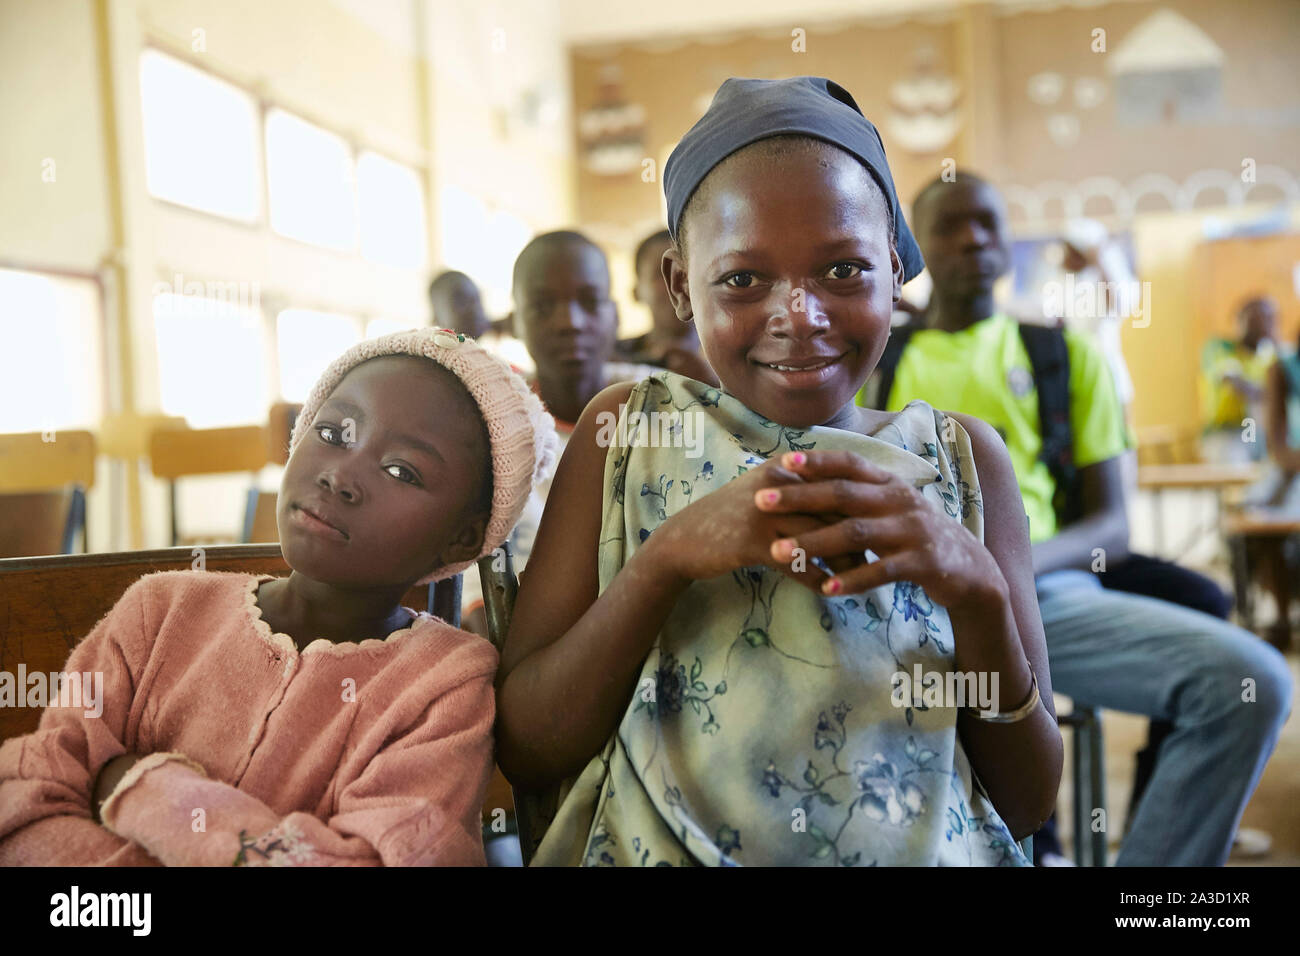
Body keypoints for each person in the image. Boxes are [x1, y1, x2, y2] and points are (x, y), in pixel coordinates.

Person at [495, 77, 1063, 867]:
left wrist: (978, 592)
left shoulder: (964, 462)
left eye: (843, 271)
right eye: (742, 279)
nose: (799, 317)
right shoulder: (625, 436)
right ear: (679, 286)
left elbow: (1029, 800)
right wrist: (665, 559)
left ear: (895, 271)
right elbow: (527, 746)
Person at [859, 171, 1292, 866]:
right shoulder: (877, 363)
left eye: (988, 224)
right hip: (901, 609)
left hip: (1047, 594)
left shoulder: (1064, 354)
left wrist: (1000, 566)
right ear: (910, 247)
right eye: (951, 226)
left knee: (1253, 683)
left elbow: (1113, 528)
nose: (974, 239)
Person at [0, 328, 556, 866]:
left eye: (400, 470)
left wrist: (142, 786)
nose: (341, 476)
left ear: (462, 536)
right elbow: (28, 798)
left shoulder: (443, 686)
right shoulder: (160, 611)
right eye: (334, 433)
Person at [459, 231, 657, 632]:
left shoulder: (665, 407)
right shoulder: (488, 429)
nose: (570, 323)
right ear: (516, 322)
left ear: (614, 315)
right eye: (544, 306)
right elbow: (480, 604)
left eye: (589, 301)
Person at [616, 228, 719, 385]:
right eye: (661, 273)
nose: (678, 284)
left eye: (687, 271)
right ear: (636, 293)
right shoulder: (616, 360)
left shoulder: (730, 355)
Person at [1200, 296, 1279, 464]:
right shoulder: (1220, 348)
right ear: (1240, 320)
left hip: (1262, 435)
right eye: (1256, 320)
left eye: (1268, 320)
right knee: (1237, 472)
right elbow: (1238, 384)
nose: (1262, 326)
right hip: (1227, 433)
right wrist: (1269, 392)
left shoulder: (1270, 354)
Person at [429, 269, 533, 372]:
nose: (474, 308)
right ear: (436, 316)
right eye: (461, 301)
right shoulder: (435, 373)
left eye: (476, 299)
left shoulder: (504, 371)